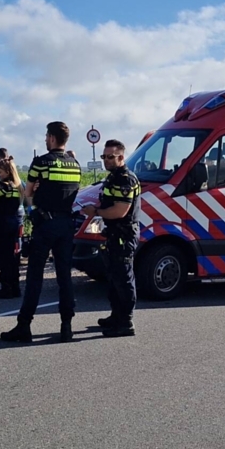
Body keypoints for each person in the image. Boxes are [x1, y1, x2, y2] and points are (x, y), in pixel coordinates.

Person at [1, 122, 81, 343]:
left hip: (45, 225)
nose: (46, 139)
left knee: (35, 276)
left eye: (47, 136)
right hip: (66, 225)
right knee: (64, 276)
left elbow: (27, 194)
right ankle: (66, 326)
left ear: (53, 138)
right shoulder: (75, 165)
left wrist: (37, 191)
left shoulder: (41, 162)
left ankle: (24, 325)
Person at [80, 140, 141, 337]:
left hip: (124, 235)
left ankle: (126, 322)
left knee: (123, 279)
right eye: (104, 157)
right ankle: (116, 316)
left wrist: (95, 211)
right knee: (114, 278)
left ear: (121, 157)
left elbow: (120, 211)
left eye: (110, 157)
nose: (106, 160)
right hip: (113, 234)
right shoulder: (113, 178)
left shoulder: (125, 179)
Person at [0, 158, 23, 299]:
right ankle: (15, 286)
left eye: (0, 172)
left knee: (2, 257)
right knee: (13, 257)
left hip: (2, 224)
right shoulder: (18, 186)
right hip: (14, 223)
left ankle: (6, 287)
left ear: (8, 172)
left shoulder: (2, 187)